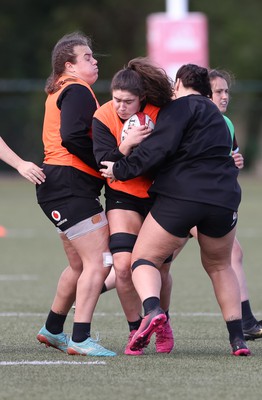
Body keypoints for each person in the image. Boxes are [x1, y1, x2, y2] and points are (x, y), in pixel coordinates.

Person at [100, 64, 251, 356]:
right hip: (224, 199)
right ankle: (238, 340)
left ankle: (153, 310)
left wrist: (121, 168)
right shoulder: (219, 119)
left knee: (143, 259)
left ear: (180, 82)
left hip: (183, 197)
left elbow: (158, 150)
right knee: (221, 266)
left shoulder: (179, 108)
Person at [35, 32, 116, 357]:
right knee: (99, 262)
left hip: (58, 185)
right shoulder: (77, 89)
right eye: (87, 57)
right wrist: (104, 164)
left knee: (81, 266)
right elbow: (71, 137)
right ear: (69, 65)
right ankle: (81, 338)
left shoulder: (62, 90)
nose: (94, 61)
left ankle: (53, 329)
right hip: (69, 184)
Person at [92, 57, 176, 355]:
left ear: (142, 98)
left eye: (128, 101)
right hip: (122, 195)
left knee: (158, 268)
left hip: (159, 196)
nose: (121, 107)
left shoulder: (160, 112)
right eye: (116, 99)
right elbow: (103, 162)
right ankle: (136, 328)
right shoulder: (103, 116)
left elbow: (168, 157)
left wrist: (147, 145)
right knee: (123, 267)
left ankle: (162, 323)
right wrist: (127, 144)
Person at [208, 69, 262, 341]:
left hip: (207, 201)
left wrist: (235, 162)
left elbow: (230, 159)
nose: (224, 96)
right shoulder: (198, 122)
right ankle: (247, 323)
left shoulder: (226, 123)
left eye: (227, 91)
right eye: (218, 91)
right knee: (232, 254)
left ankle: (247, 322)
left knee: (151, 263)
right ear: (205, 94)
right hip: (190, 201)